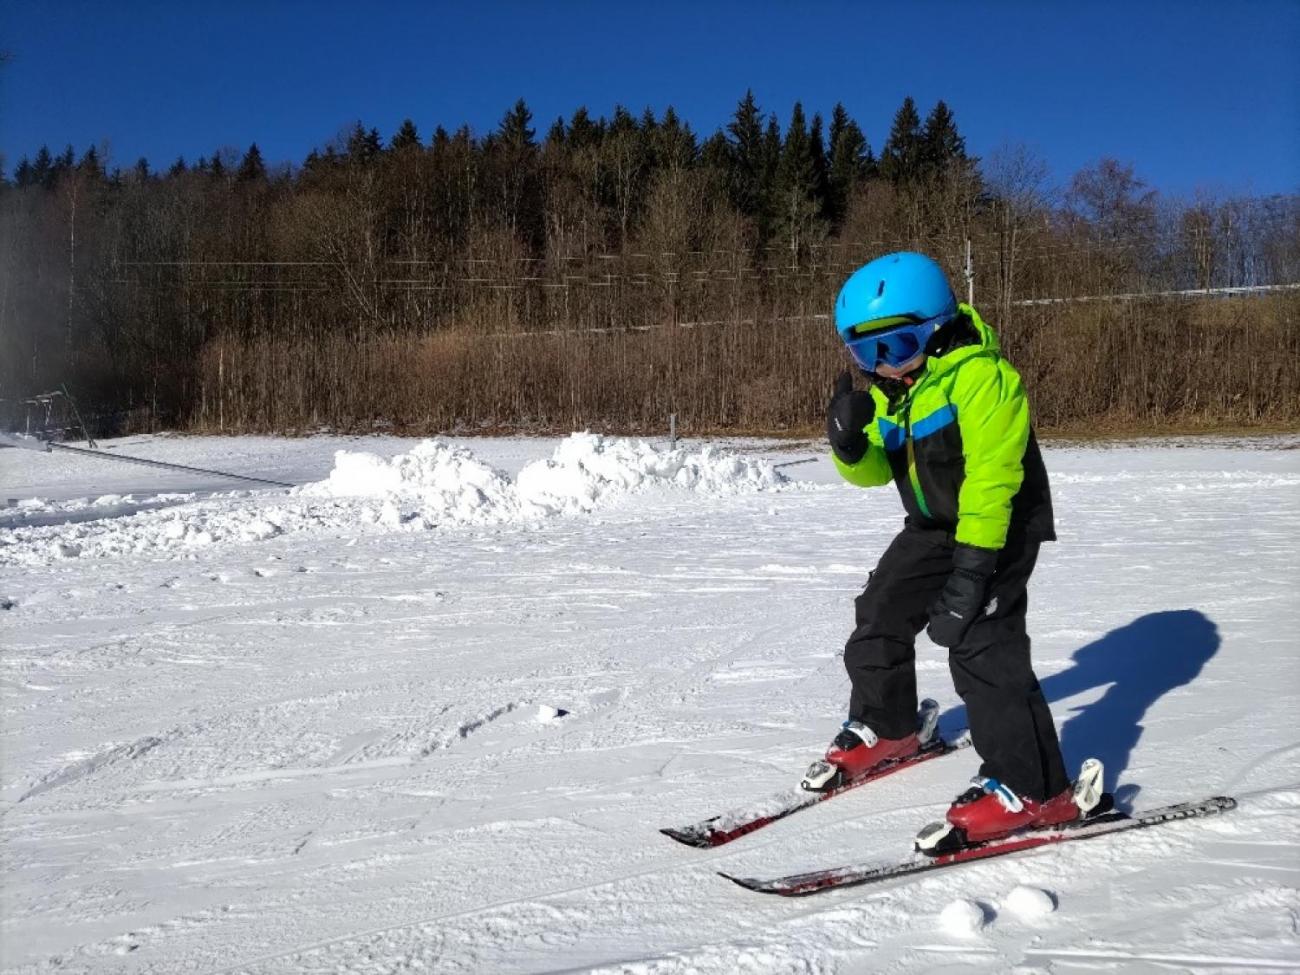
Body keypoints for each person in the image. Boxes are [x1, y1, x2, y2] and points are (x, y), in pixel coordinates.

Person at [812, 251, 1076, 849]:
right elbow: (877, 472)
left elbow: (992, 479)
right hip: (933, 527)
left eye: (896, 346)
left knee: (982, 643)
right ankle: (890, 726)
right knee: (880, 608)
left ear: (935, 329)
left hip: (999, 527)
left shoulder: (983, 378)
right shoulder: (894, 393)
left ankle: (1034, 787)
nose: (883, 366)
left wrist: (972, 573)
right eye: (866, 353)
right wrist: (849, 443)